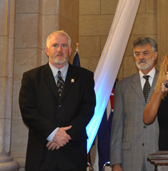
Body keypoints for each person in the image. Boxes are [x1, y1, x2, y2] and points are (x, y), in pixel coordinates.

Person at [19, 30, 96, 171]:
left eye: (64, 46)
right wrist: (53, 133)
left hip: (73, 155)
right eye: (55, 45)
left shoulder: (85, 77)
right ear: (47, 50)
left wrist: (65, 135)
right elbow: (28, 110)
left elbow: (88, 109)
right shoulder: (31, 77)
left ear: (70, 50)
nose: (59, 50)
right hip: (41, 154)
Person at [110, 37, 159, 171]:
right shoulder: (123, 86)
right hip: (130, 156)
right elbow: (117, 126)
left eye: (145, 53)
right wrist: (115, 162)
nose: (141, 57)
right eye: (137, 54)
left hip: (158, 153)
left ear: (155, 55)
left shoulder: (166, 82)